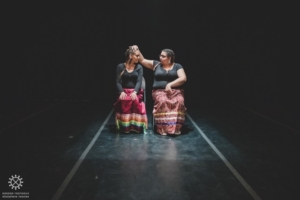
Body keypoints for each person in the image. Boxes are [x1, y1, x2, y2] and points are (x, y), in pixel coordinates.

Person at [132, 45, 187, 136]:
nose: (160, 57)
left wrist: (169, 84)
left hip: (175, 91)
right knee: (163, 101)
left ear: (170, 58)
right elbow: (142, 60)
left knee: (179, 101)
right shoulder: (156, 64)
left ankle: (175, 128)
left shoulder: (177, 66)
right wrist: (137, 49)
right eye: (160, 55)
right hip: (159, 92)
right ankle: (163, 128)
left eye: (163, 56)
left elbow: (183, 78)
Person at [113, 46, 148, 133]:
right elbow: (118, 82)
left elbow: (139, 82)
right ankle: (126, 126)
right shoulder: (120, 66)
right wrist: (121, 92)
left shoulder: (139, 67)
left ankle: (136, 126)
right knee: (124, 99)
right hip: (124, 90)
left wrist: (135, 92)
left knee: (135, 100)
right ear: (130, 56)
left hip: (136, 90)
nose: (138, 58)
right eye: (137, 55)